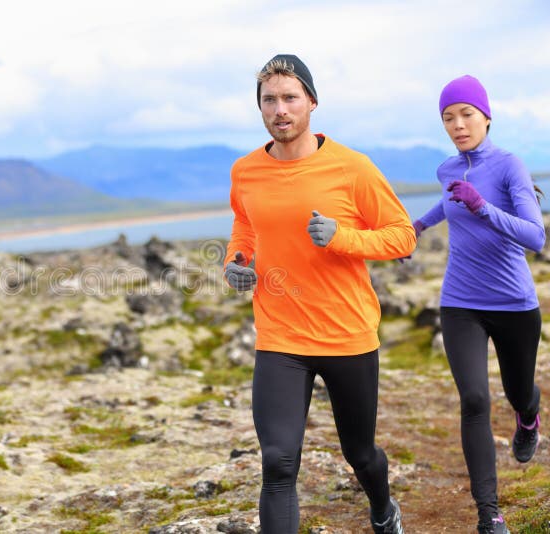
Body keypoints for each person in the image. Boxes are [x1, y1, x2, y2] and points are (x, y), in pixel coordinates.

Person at [223, 53, 415, 534]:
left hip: (346, 334)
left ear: (311, 101)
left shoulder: (352, 168)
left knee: (360, 453)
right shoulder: (245, 171)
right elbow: (245, 227)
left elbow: (402, 236)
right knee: (279, 464)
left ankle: (383, 509)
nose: (280, 109)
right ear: (260, 108)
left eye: (290, 98)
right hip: (280, 337)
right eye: (270, 100)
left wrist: (342, 237)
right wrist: (235, 263)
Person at [410, 74, 544, 534]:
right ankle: (490, 513)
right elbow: (449, 202)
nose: (458, 124)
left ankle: (529, 415)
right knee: (473, 399)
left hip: (513, 303)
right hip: (460, 302)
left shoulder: (510, 166)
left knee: (517, 392)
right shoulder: (447, 169)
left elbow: (535, 235)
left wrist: (484, 206)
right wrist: (419, 225)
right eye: (448, 117)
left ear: (486, 116)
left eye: (466, 114)